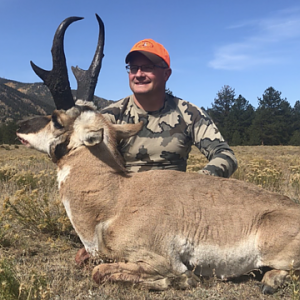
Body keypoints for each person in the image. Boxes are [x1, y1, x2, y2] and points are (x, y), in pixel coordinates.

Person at [101, 39, 238, 177]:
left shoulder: (189, 113)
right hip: (125, 194)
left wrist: (199, 182)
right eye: (133, 68)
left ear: (166, 74)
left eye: (148, 67)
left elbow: (225, 154)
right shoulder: (110, 117)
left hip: (175, 194)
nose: (139, 74)